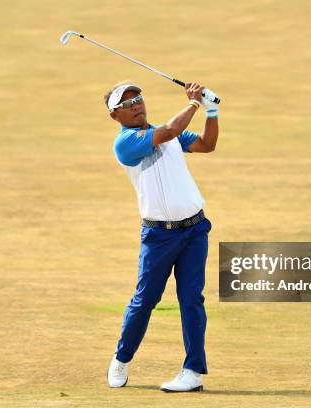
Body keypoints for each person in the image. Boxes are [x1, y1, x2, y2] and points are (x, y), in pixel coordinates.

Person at [105, 80, 219, 392]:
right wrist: (194, 103)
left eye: (138, 99)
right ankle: (122, 358)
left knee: (191, 299)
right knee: (145, 300)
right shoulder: (127, 143)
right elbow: (167, 131)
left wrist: (212, 111)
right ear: (115, 116)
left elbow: (207, 145)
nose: (136, 105)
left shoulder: (170, 134)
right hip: (159, 236)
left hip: (195, 230)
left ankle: (193, 372)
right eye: (127, 104)